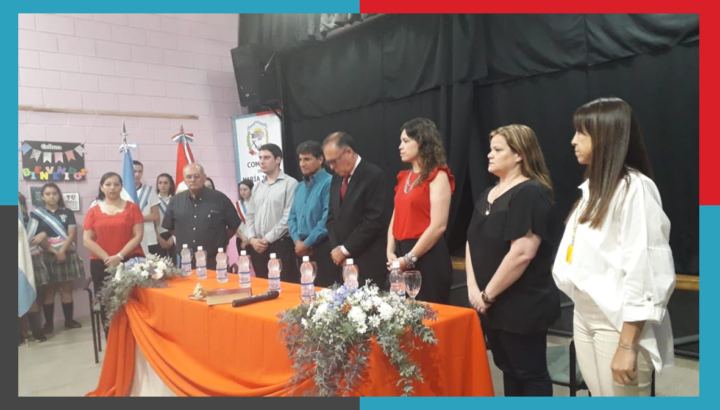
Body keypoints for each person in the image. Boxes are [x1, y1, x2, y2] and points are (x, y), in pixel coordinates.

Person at [553, 97, 675, 397]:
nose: (573, 141)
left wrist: (627, 344)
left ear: (605, 136)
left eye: (581, 132)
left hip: (616, 322)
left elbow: (644, 267)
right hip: (585, 313)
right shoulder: (594, 189)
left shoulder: (634, 188)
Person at [466, 124, 560, 397]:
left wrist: (487, 294)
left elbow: (522, 253)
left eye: (498, 150)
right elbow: (472, 242)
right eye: (490, 149)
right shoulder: (486, 194)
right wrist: (473, 290)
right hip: (490, 304)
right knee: (508, 369)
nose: (489, 155)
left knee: (529, 373)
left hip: (521, 305)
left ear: (519, 154)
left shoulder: (530, 192)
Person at [387, 118, 454, 303]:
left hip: (427, 255)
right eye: (401, 141)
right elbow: (396, 216)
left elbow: (438, 225)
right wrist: (390, 251)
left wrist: (409, 259)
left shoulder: (438, 175)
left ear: (422, 142)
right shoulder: (404, 177)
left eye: (406, 141)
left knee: (427, 315)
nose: (400, 146)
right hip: (401, 255)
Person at [323, 132, 390, 289]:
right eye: (328, 163)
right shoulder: (336, 178)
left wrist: (345, 250)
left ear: (348, 152)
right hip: (341, 263)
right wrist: (336, 249)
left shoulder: (373, 175)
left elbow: (373, 221)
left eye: (334, 161)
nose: (331, 167)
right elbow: (332, 217)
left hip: (368, 262)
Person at [83, 172, 145, 330]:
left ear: (121, 187)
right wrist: (108, 258)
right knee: (108, 305)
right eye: (108, 184)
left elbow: (138, 236)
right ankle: (111, 338)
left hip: (130, 261)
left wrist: (119, 256)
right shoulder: (93, 211)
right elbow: (87, 240)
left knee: (132, 303)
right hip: (101, 264)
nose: (112, 188)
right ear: (101, 187)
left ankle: (135, 338)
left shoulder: (132, 208)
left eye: (116, 184)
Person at [162, 164, 241, 270]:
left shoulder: (220, 198)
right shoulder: (175, 201)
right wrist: (185, 235)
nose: (192, 180)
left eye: (196, 176)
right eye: (188, 177)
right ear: (184, 180)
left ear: (204, 178)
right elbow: (170, 227)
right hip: (187, 263)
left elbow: (234, 224)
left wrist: (220, 239)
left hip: (215, 262)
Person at [31, 183, 86, 333]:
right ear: (42, 197)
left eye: (54, 193)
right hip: (46, 254)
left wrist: (61, 251)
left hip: (66, 252)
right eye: (48, 194)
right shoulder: (36, 214)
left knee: (66, 288)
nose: (52, 196)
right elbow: (36, 238)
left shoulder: (67, 212)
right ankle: (49, 324)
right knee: (49, 290)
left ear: (59, 195)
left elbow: (72, 233)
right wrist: (54, 252)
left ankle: (69, 320)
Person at [244, 144, 300, 282]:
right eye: (260, 158)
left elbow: (288, 218)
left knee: (284, 287)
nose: (262, 161)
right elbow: (250, 216)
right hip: (257, 247)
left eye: (266, 157)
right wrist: (251, 239)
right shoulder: (257, 186)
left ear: (278, 160)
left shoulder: (290, 183)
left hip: (280, 245)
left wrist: (267, 239)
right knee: (262, 287)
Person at [288, 140, 338, 287]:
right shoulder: (299, 187)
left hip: (322, 248)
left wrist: (306, 243)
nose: (302, 164)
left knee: (324, 293)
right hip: (300, 249)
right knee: (305, 293)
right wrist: (298, 242)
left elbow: (327, 219)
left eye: (307, 159)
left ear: (320, 159)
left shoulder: (330, 183)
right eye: (300, 160)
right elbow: (291, 218)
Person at [19, 192, 48, 342]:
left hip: (33, 262)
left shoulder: (33, 222)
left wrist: (43, 235)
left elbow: (45, 243)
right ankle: (19, 334)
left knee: (33, 297)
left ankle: (36, 331)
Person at [133, 161, 160, 255]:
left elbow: (155, 215)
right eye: (134, 171)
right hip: (129, 238)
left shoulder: (149, 191)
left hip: (149, 236)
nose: (137, 174)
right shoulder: (122, 191)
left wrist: (136, 219)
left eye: (140, 171)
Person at [150, 173, 176, 261]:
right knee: (160, 264)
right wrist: (159, 238)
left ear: (171, 185)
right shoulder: (153, 201)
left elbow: (180, 221)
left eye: (165, 183)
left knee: (174, 264)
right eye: (160, 183)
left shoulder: (176, 200)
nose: (162, 185)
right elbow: (152, 222)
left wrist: (173, 238)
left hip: (173, 236)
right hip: (158, 236)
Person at [234, 179, 253, 254]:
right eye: (240, 190)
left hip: (256, 239)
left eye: (245, 189)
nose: (242, 192)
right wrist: (243, 238)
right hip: (241, 239)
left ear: (251, 190)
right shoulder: (236, 205)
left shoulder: (257, 204)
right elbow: (233, 224)